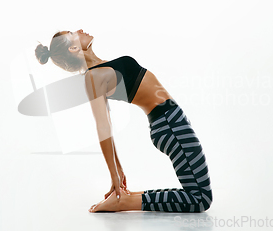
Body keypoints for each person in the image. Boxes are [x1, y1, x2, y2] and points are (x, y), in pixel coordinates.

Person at [35, 29, 212, 213]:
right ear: (73, 47)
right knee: (201, 198)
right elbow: (104, 126)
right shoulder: (93, 77)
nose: (79, 30)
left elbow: (107, 125)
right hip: (169, 124)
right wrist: (114, 174)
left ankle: (125, 199)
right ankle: (124, 202)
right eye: (73, 33)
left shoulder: (101, 67)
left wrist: (119, 169)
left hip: (171, 121)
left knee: (198, 194)